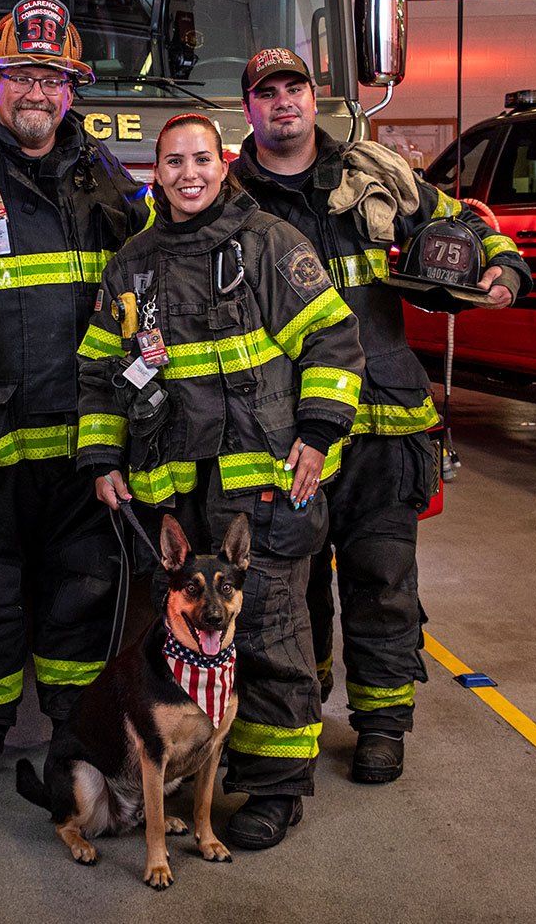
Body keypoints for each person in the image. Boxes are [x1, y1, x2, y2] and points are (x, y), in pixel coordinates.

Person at [229, 47, 532, 785]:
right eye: (265, 93)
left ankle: (383, 724)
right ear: (249, 110)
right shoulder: (229, 197)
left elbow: (465, 223)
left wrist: (505, 268)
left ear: (314, 96)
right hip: (288, 430)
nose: (282, 102)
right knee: (293, 590)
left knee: (383, 582)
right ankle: (306, 709)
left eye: (293, 87)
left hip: (384, 423)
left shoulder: (377, 176)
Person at [78, 113, 365, 851]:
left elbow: (333, 336)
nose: (188, 174)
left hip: (261, 490)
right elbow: (101, 373)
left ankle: (273, 791)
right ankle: (197, 768)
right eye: (172, 162)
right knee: (180, 640)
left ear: (223, 162)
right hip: (171, 499)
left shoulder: (270, 243)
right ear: (157, 174)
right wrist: (103, 460)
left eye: (200, 158)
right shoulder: (132, 265)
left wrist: (321, 430)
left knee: (271, 635)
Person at [0, 0, 146, 787]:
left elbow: (158, 268)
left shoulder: (105, 177)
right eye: (21, 74)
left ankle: (69, 728)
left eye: (54, 78)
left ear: (72, 90)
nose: (37, 92)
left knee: (80, 587)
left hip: (81, 432)